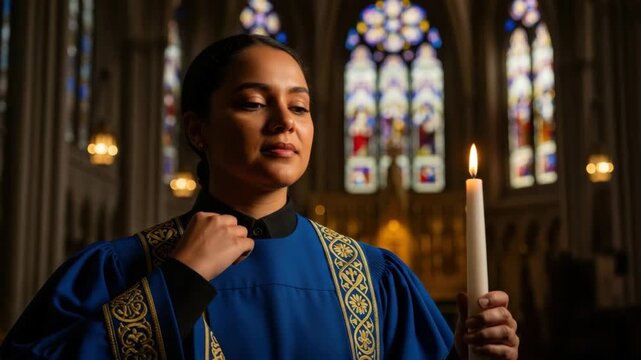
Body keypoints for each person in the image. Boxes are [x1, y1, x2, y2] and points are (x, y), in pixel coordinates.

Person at [1, 34, 519, 359]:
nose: (283, 123)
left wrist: (478, 354)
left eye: (300, 107)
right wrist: (176, 285)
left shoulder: (376, 278)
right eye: (252, 102)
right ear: (198, 130)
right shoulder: (119, 270)